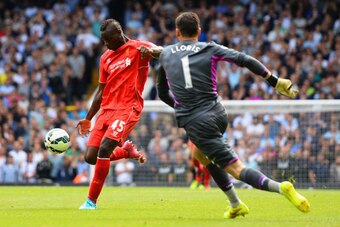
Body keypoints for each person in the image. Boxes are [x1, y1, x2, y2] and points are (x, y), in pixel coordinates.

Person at [147, 12, 310, 218]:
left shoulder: (164, 54)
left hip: (197, 121)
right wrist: (274, 81)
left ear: (177, 31)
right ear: (199, 31)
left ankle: (281, 187)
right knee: (199, 154)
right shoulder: (210, 47)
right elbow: (244, 59)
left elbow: (162, 94)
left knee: (236, 169)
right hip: (219, 112)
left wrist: (181, 108)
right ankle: (235, 204)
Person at [76, 18, 162, 210]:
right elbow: (100, 91)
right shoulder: (105, 58)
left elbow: (163, 51)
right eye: (103, 41)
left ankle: (91, 202)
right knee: (90, 156)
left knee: (105, 149)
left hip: (127, 108)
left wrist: (151, 52)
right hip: (106, 110)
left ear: (119, 34)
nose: (106, 44)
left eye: (108, 40)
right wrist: (88, 118)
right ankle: (125, 151)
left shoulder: (138, 48)